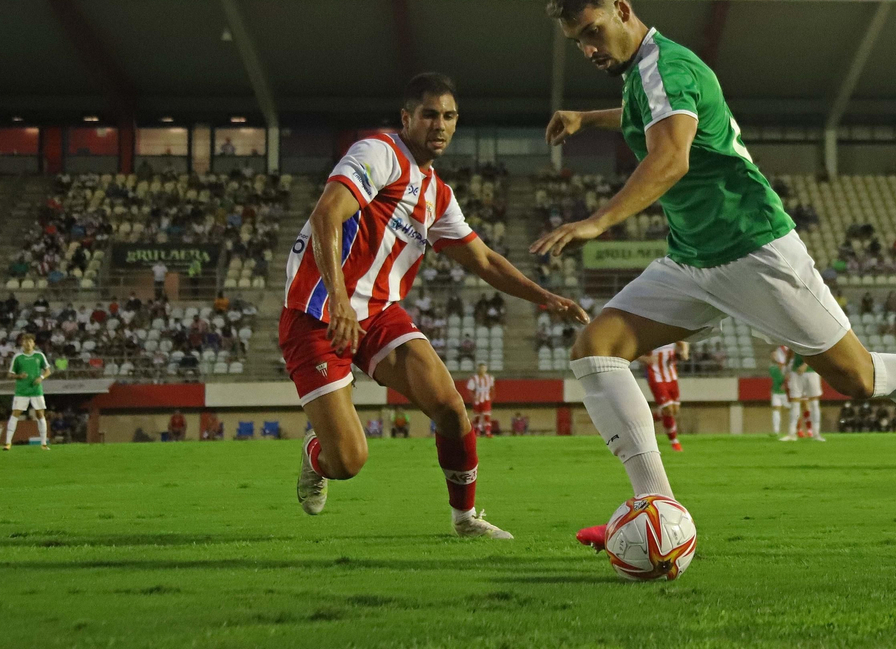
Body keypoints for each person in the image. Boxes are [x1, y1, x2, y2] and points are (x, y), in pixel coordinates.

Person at [533, 0, 896, 554]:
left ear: (622, 9)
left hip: (754, 249)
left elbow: (670, 158)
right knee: (596, 350)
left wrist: (597, 221)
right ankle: (656, 511)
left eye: (592, 32)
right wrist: (587, 118)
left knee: (859, 379)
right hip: (692, 259)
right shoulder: (642, 74)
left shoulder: (668, 66)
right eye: (577, 42)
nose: (588, 49)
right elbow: (648, 116)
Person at [280, 73, 588, 539]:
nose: (439, 125)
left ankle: (465, 519)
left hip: (378, 314)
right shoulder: (378, 153)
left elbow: (483, 259)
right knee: (348, 461)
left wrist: (544, 296)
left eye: (448, 116)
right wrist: (339, 300)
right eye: (429, 115)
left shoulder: (437, 194)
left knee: (449, 405)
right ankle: (315, 454)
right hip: (317, 311)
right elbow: (327, 214)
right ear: (406, 118)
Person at [4, 333, 51, 450]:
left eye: (30, 341)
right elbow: (10, 374)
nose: (28, 344)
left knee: (40, 414)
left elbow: (48, 371)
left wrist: (41, 378)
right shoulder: (18, 357)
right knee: (15, 414)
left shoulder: (39, 355)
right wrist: (19, 376)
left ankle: (44, 444)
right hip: (21, 391)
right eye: (25, 341)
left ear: (33, 343)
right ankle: (8, 443)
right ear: (22, 343)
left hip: (36, 390)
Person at [645, 341, 688, 451]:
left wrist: (684, 352)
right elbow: (633, 351)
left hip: (671, 375)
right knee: (668, 410)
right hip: (655, 375)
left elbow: (682, 342)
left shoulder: (670, 333)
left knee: (674, 410)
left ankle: (646, 420)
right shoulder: (648, 336)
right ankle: (674, 442)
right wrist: (645, 359)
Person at [464, 362, 496, 439]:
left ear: (486, 369)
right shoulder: (474, 378)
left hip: (486, 399)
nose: (482, 370)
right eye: (481, 368)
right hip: (477, 400)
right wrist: (473, 397)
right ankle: (476, 432)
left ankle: (488, 432)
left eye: (483, 368)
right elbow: (469, 389)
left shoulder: (489, 378)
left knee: (486, 416)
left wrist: (491, 397)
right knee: (477, 417)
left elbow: (492, 389)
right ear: (478, 369)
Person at [768, 345, 791, 437]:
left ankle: (794, 429)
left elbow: (788, 376)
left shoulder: (784, 365)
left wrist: (785, 384)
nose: (774, 357)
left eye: (775, 355)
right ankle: (776, 431)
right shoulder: (771, 366)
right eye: (772, 355)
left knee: (791, 410)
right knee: (776, 409)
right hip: (776, 391)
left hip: (785, 393)